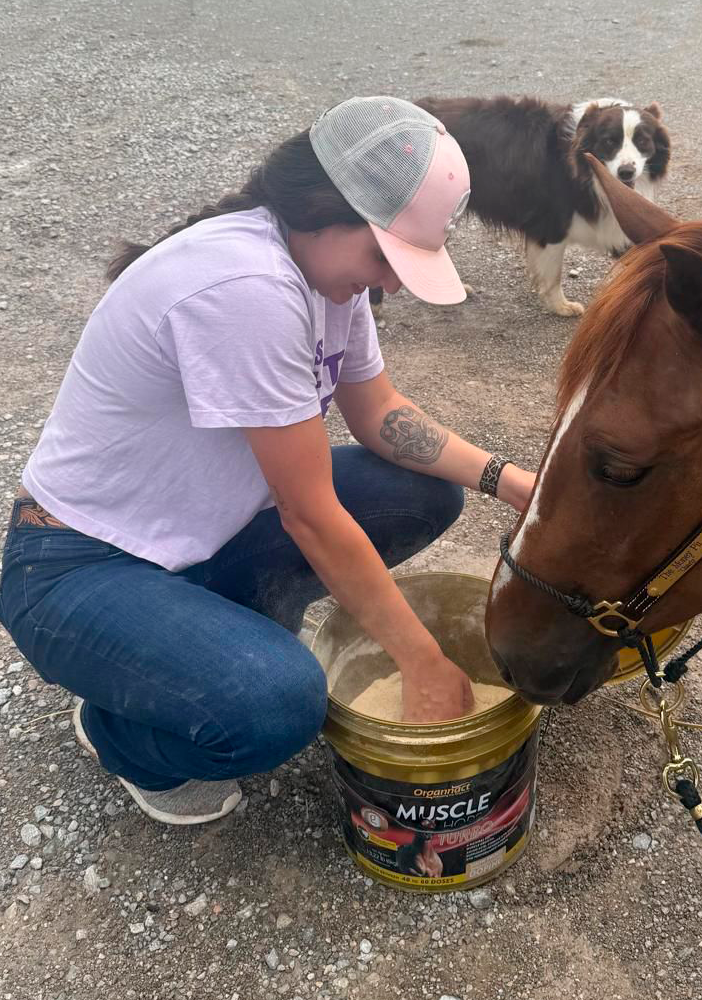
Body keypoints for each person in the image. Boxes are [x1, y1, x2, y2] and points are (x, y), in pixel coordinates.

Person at [0, 96, 535, 826]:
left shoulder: (322, 273)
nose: (389, 284)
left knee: (427, 492)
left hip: (197, 536)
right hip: (77, 567)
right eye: (384, 257)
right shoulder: (246, 289)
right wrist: (423, 663)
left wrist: (513, 482)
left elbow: (379, 413)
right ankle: (119, 730)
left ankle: (212, 636)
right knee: (278, 705)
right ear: (324, 209)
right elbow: (308, 514)